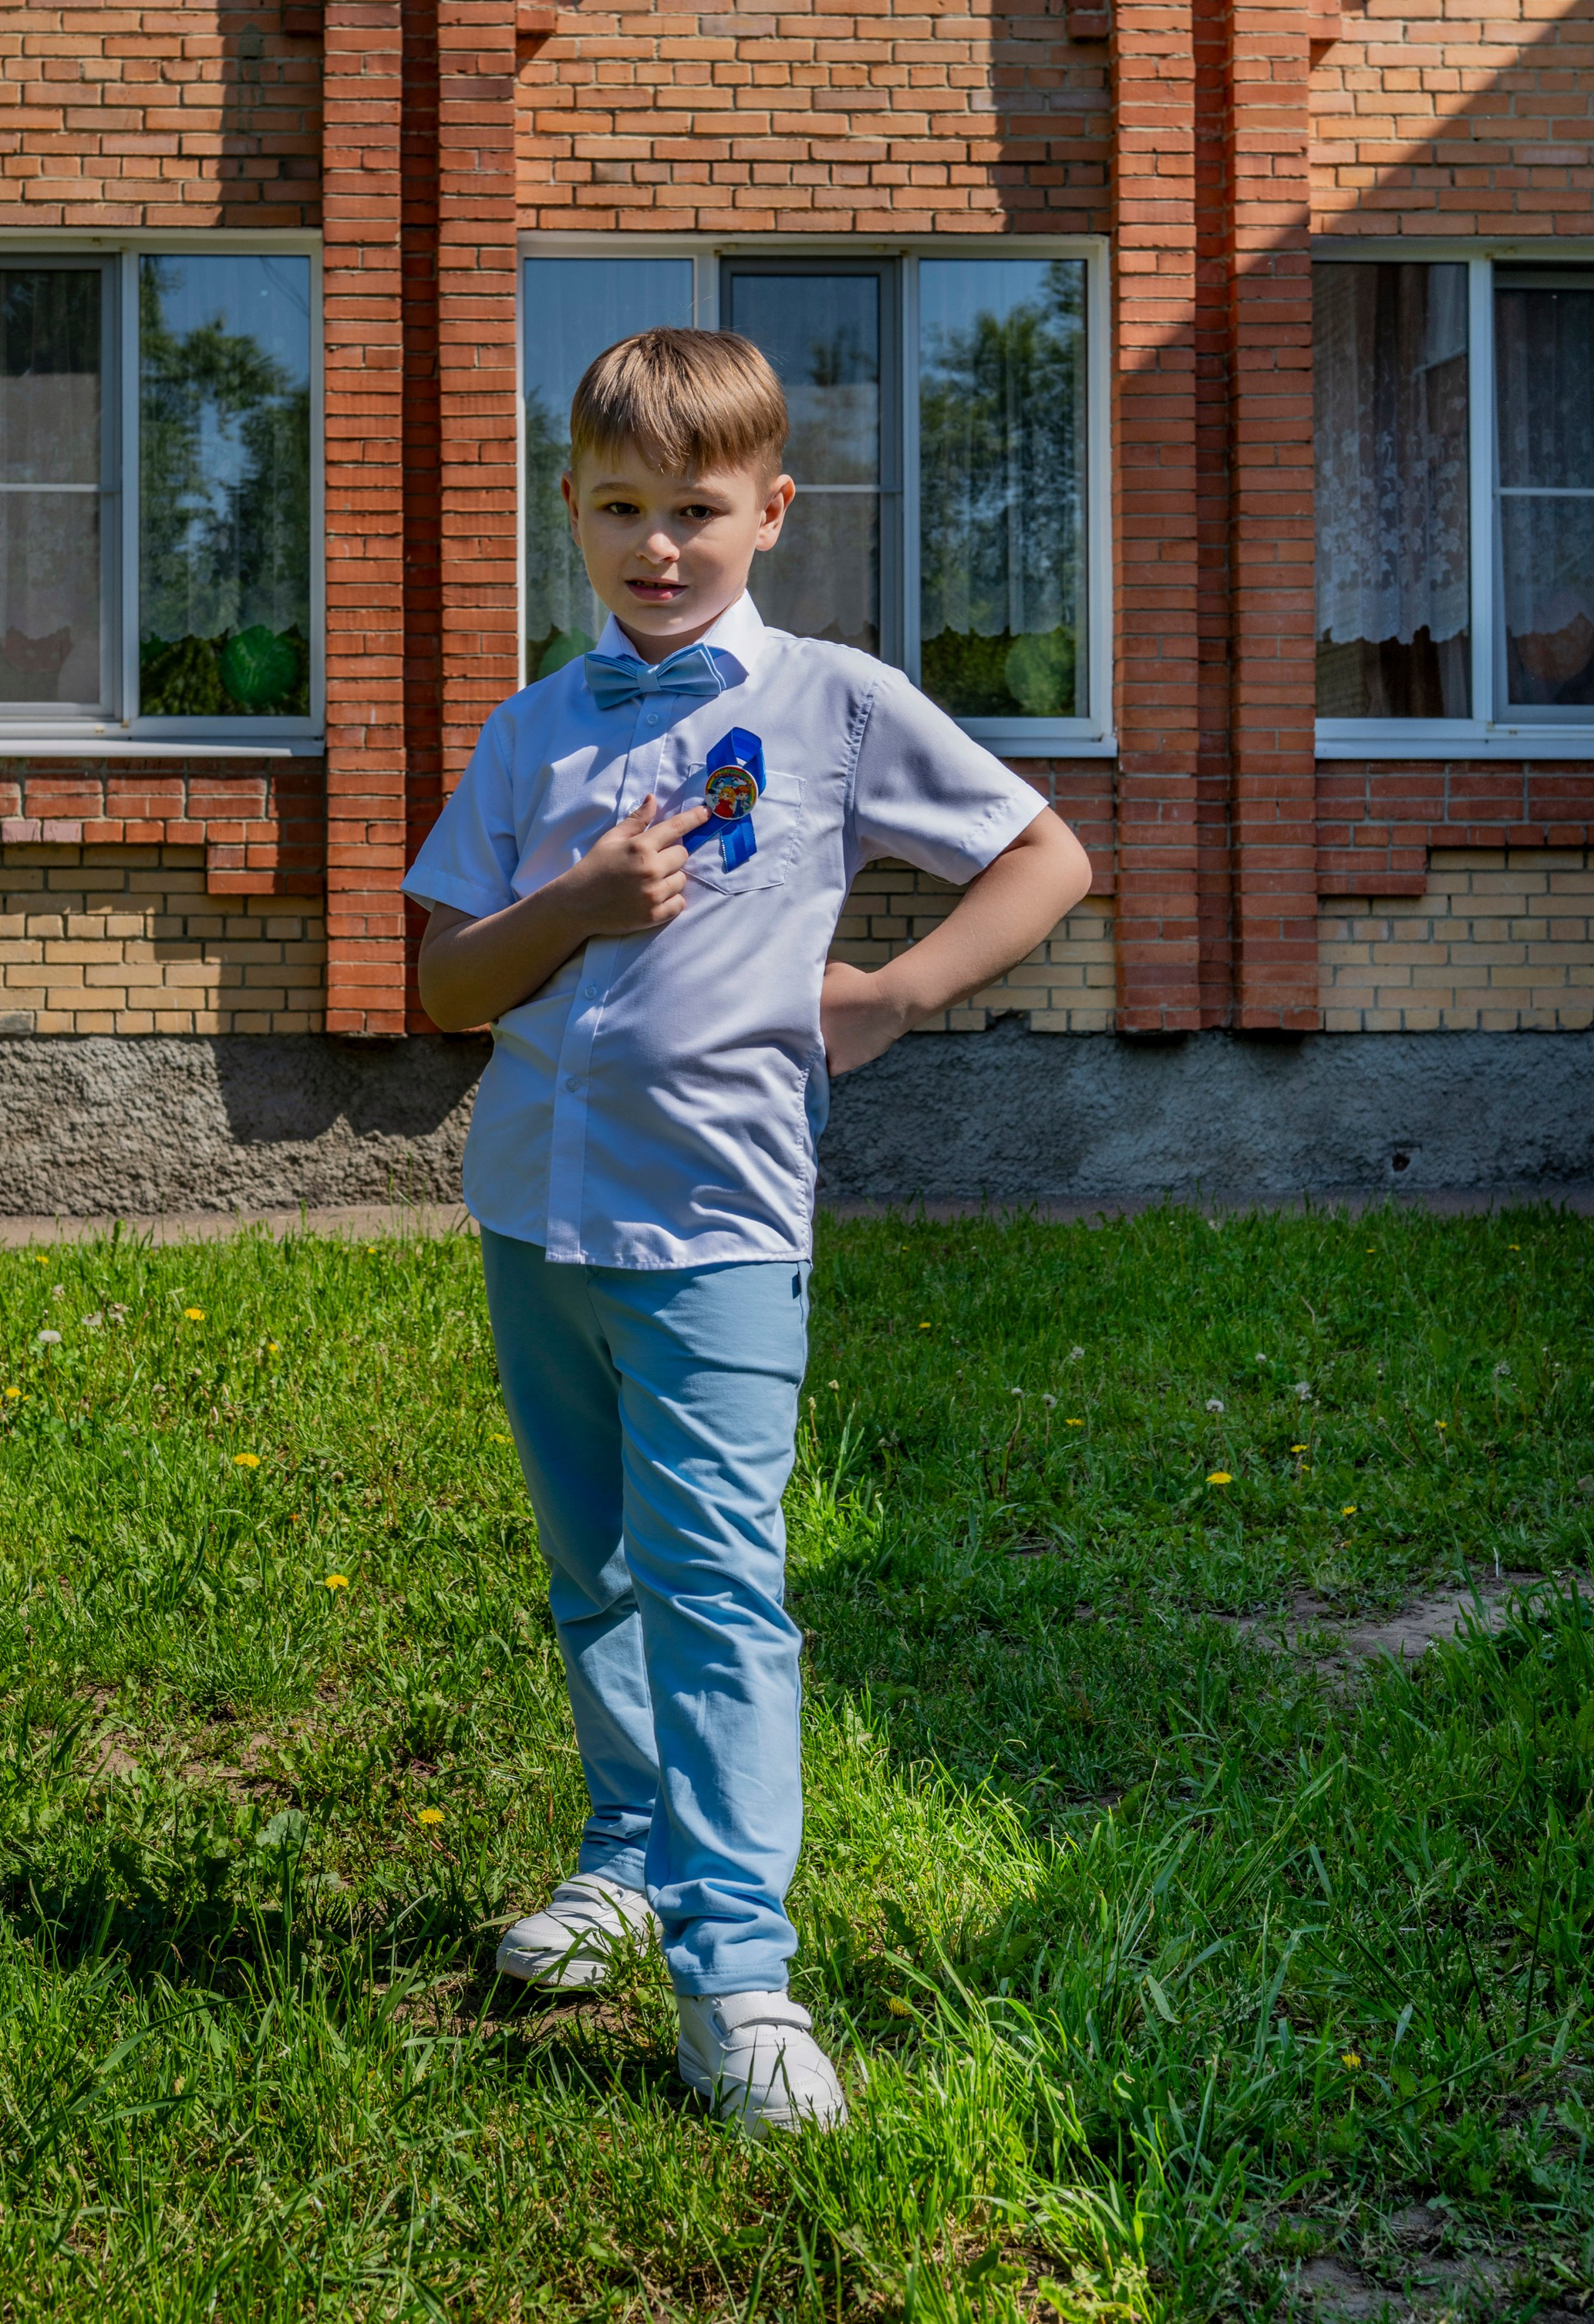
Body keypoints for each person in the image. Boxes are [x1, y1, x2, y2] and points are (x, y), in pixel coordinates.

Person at [403, 327, 1093, 2139]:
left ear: (769, 512)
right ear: (569, 510)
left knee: (717, 1586)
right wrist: (576, 896)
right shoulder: (533, 728)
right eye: (619, 509)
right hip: (532, 1212)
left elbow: (1042, 855)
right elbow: (442, 976)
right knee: (598, 1577)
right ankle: (624, 1862)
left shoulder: (833, 707)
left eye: (695, 511)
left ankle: (736, 1970)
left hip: (714, 1215)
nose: (657, 547)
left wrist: (892, 991)